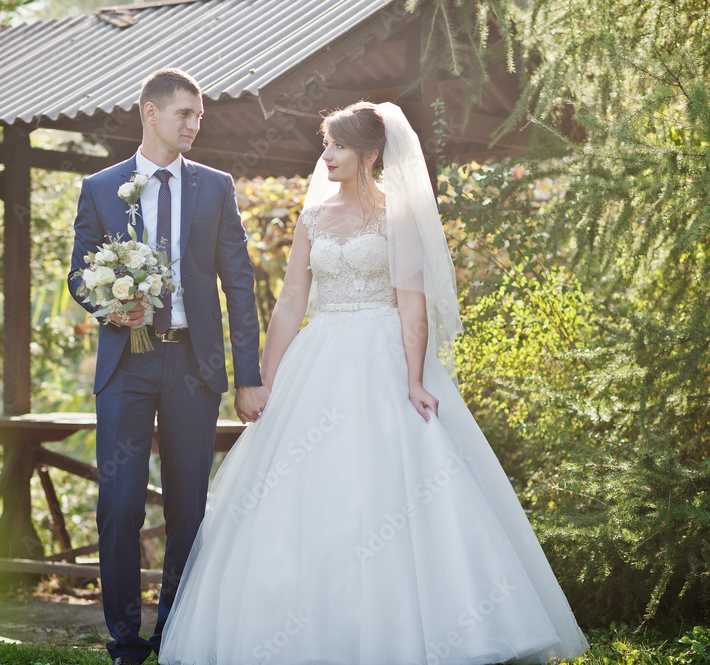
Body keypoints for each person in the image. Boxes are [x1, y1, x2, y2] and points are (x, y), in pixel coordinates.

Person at [157, 101, 590, 665]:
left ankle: (425, 630)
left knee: (398, 490)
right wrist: (264, 380)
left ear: (370, 155)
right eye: (325, 144)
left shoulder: (397, 217)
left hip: (383, 357)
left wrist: (413, 379)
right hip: (320, 352)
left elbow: (413, 307)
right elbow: (290, 302)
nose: (327, 156)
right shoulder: (311, 218)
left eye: (338, 146)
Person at [68, 68, 269, 665]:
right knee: (121, 502)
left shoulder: (216, 186)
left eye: (199, 115)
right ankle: (126, 642)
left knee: (188, 506)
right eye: (184, 113)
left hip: (192, 364)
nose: (194, 124)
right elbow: (79, 273)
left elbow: (238, 283)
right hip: (126, 365)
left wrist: (248, 375)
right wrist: (108, 301)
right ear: (149, 114)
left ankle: (174, 632)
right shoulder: (101, 188)